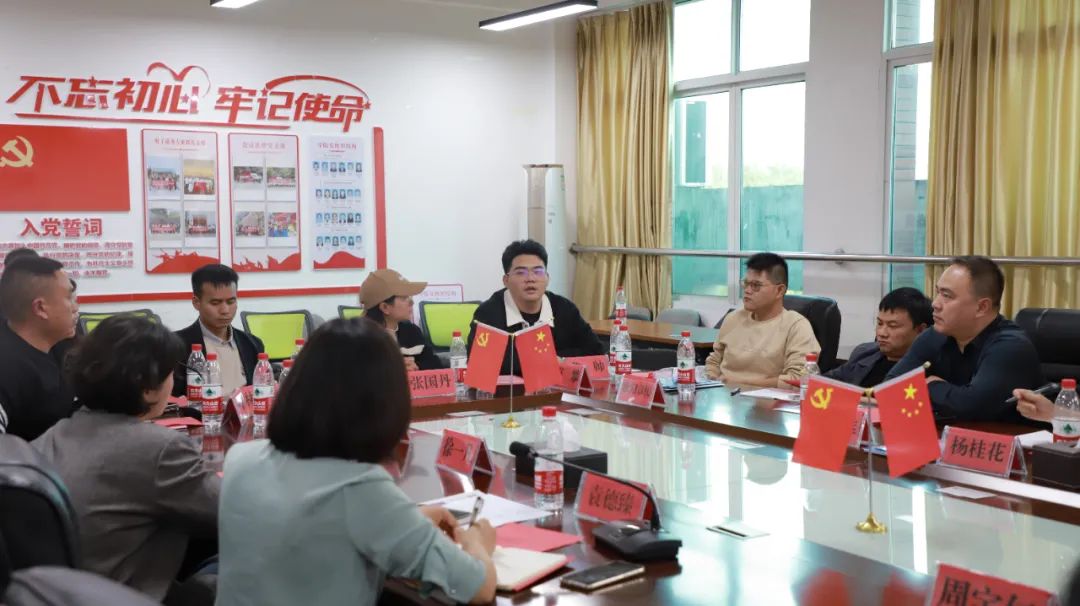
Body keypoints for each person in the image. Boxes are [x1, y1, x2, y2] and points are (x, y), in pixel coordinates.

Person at [216, 319, 497, 606]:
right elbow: (479, 588)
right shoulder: (360, 488)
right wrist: (477, 542)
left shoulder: (241, 459)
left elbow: (310, 527)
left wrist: (407, 521)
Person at [32, 315, 220, 602]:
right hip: (126, 595)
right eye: (171, 373)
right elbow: (228, 511)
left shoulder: (55, 434)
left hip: (57, 593)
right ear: (148, 388)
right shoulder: (160, 448)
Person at [887, 256, 1043, 422]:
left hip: (1007, 436)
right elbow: (890, 387)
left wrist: (930, 385)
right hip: (946, 433)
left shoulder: (1010, 346)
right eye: (938, 292)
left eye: (947, 296)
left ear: (981, 307)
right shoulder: (934, 335)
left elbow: (972, 406)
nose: (935, 304)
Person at [467, 239, 604, 375]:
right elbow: (479, 362)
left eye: (538, 272)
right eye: (521, 273)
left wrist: (559, 359)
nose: (530, 279)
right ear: (506, 281)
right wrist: (548, 360)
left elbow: (596, 351)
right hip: (510, 389)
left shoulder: (564, 309)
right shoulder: (488, 313)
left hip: (558, 388)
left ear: (547, 278)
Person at [704, 253, 820, 388]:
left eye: (755, 285)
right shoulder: (733, 318)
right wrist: (711, 379)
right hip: (723, 394)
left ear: (779, 290)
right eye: (746, 283)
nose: (747, 291)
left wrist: (738, 382)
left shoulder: (796, 326)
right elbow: (714, 362)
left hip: (767, 399)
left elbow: (798, 380)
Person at [0, 256, 78, 440]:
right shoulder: (6, 367)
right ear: (41, 308)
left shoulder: (62, 346)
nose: (75, 307)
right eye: (69, 298)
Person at [172, 264, 265, 398]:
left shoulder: (252, 344)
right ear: (196, 302)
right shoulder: (175, 347)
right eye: (215, 303)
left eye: (231, 302)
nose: (225, 310)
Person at [825, 287, 933, 387]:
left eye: (892, 326)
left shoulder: (928, 369)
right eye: (880, 323)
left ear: (921, 330)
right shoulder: (864, 353)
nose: (881, 333)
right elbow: (826, 382)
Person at [359, 269, 443, 371]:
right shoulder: (360, 338)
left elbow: (436, 365)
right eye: (404, 298)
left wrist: (416, 367)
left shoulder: (411, 331)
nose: (411, 302)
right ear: (385, 307)